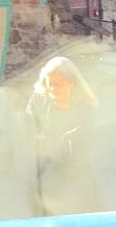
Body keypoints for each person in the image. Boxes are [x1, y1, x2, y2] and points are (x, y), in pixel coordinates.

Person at [26, 56, 99, 216]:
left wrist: (47, 140)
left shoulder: (86, 109)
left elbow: (77, 150)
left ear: (71, 82)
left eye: (57, 84)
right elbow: (28, 130)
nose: (52, 89)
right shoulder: (39, 100)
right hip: (43, 177)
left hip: (75, 181)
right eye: (49, 84)